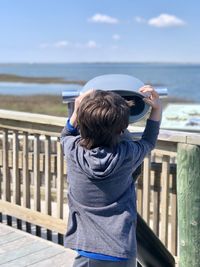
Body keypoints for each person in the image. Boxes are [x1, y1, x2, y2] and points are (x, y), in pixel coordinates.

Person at [60, 85, 162, 267]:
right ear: (122, 128)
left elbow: (66, 133)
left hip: (86, 249)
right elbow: (149, 140)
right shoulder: (128, 154)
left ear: (82, 123)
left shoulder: (71, 149)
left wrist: (77, 108)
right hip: (121, 249)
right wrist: (156, 108)